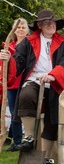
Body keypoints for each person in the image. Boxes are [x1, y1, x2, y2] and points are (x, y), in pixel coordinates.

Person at [0, 9, 64, 164]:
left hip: (55, 81)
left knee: (52, 119)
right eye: (47, 23)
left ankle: (47, 158)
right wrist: (8, 59)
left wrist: (53, 75)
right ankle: (30, 137)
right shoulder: (29, 41)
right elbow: (18, 63)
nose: (51, 25)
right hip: (34, 79)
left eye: (53, 22)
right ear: (39, 26)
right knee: (26, 96)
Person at [2, 18, 29, 152]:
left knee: (22, 112)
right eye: (18, 27)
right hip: (12, 84)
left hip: (25, 83)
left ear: (27, 30)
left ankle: (21, 139)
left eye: (23, 27)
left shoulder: (30, 45)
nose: (20, 29)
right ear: (14, 30)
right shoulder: (9, 45)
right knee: (14, 112)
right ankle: (16, 141)